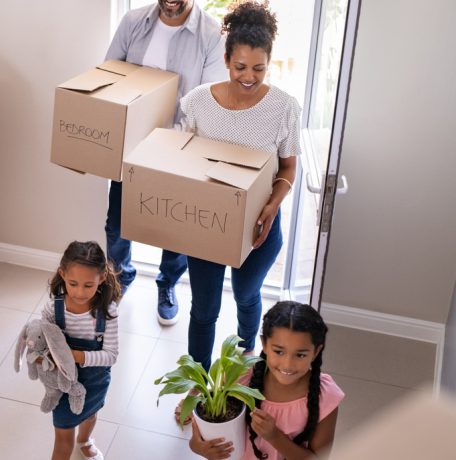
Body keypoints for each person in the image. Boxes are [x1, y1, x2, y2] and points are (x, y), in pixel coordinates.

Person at [178, 1, 300, 370]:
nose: (249, 77)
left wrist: (272, 206)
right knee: (204, 310)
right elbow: (183, 160)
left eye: (259, 69)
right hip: (208, 224)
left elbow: (289, 167)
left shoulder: (284, 107)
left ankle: (248, 363)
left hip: (260, 225)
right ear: (227, 59)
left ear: (269, 64)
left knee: (247, 296)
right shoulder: (198, 101)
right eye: (240, 67)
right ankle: (197, 384)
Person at [104, 0, 228, 325]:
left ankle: (167, 284)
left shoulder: (211, 35)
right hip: (131, 148)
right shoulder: (132, 22)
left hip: (180, 149)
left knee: (176, 231)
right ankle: (118, 281)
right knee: (117, 225)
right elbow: (108, 75)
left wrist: (165, 138)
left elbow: (211, 103)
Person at [189, 301, 344, 460]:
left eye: (300, 355)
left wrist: (274, 437)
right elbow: (201, 436)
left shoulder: (325, 398)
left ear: (316, 351)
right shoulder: (239, 377)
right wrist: (198, 447)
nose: (287, 364)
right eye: (278, 351)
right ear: (264, 344)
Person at [41, 241, 121, 460]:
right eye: (73, 283)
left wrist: (75, 356)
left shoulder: (107, 311)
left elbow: (111, 355)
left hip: (95, 380)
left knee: (90, 414)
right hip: (63, 384)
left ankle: (84, 440)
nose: (79, 292)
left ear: (102, 278)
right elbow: (42, 341)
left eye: (88, 285)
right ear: (63, 274)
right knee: (63, 437)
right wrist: (44, 358)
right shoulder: (52, 308)